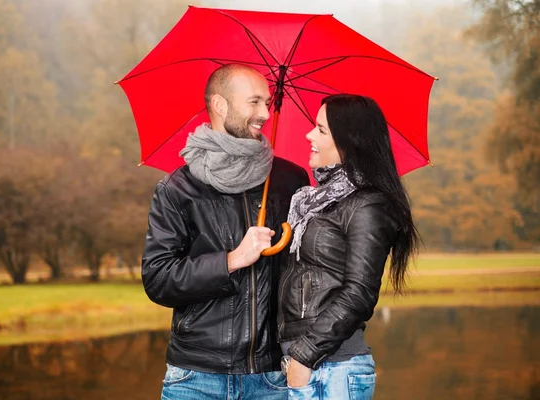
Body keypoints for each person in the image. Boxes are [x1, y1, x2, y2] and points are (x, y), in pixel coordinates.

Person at [141, 63, 310, 400]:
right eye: (254, 102)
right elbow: (158, 279)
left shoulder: (290, 180)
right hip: (195, 377)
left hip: (272, 377)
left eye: (267, 101)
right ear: (219, 105)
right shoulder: (179, 188)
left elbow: (306, 275)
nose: (265, 112)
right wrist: (231, 260)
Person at [277, 94, 419, 400]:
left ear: (349, 141)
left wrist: (304, 355)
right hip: (305, 364)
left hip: (332, 369)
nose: (309, 135)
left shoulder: (369, 204)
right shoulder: (314, 201)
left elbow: (360, 292)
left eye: (321, 130)